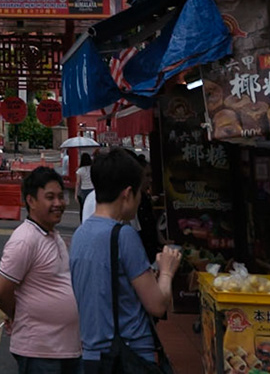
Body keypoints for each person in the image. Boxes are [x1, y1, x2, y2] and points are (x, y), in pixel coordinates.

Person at [71, 149, 181, 374]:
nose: (141, 198)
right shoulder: (123, 235)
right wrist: (167, 271)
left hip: (92, 356)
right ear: (128, 193)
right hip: (128, 356)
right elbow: (157, 305)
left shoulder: (80, 235)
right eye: (140, 192)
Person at [0, 166, 81, 374]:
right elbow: (0, 290)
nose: (58, 203)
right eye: (50, 197)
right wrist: (18, 313)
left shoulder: (53, 235)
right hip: (40, 352)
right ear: (31, 201)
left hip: (67, 349)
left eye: (61, 196)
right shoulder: (25, 239)